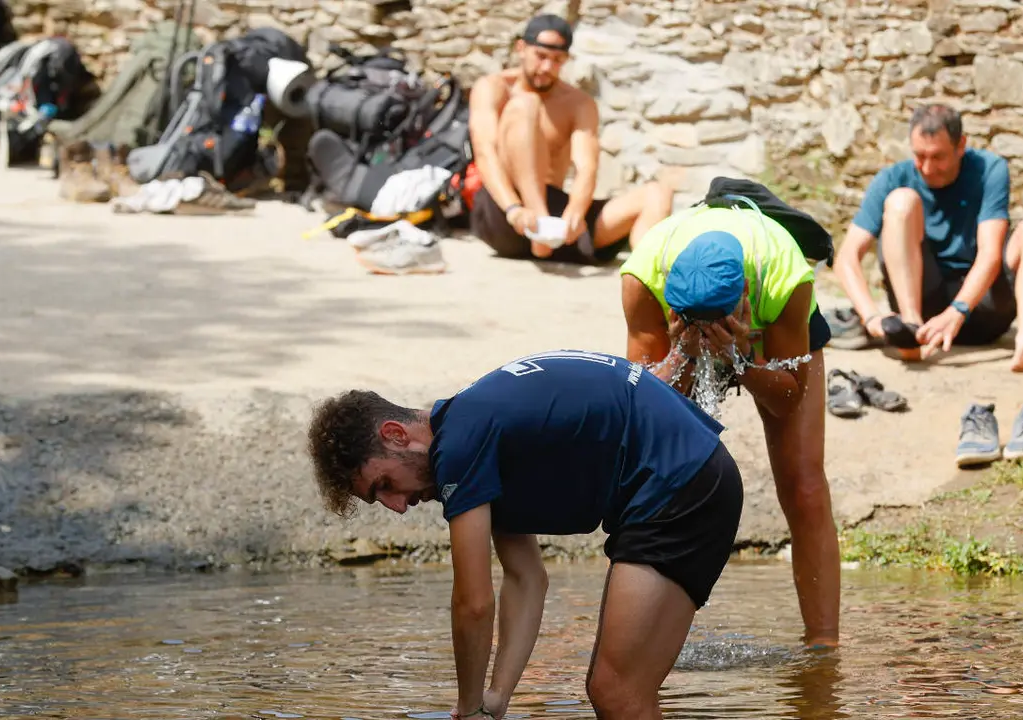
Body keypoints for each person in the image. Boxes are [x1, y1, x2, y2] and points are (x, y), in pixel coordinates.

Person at [305, 349, 744, 719]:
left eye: (383, 485)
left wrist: (468, 707)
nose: (397, 506)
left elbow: (473, 603)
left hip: (681, 481)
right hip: (694, 473)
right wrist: (496, 698)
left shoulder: (460, 446)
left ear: (396, 434)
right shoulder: (473, 433)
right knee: (623, 690)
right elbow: (526, 579)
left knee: (615, 690)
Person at [618, 193, 841, 650]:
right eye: (692, 321)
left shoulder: (785, 274)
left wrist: (739, 361)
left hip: (772, 331)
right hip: (684, 327)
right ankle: (637, 638)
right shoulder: (644, 277)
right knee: (648, 481)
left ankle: (823, 648)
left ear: (742, 295)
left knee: (804, 484)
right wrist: (682, 351)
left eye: (715, 320)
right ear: (673, 309)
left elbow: (787, 399)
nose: (705, 328)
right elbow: (642, 409)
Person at [830, 102, 1023, 373]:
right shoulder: (893, 178)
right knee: (901, 201)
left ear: (961, 145)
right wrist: (871, 318)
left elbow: (990, 254)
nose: (926, 168)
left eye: (937, 156)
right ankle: (912, 331)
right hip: (926, 309)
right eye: (919, 156)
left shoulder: (989, 169)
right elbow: (846, 257)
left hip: (983, 308)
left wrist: (957, 311)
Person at [467, 13, 673, 265]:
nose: (547, 68)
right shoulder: (493, 87)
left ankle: (647, 278)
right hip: (505, 210)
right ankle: (538, 224)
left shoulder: (578, 103)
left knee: (658, 194)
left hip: (558, 222)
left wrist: (575, 210)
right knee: (526, 104)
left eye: (557, 60)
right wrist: (514, 210)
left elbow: (587, 166)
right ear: (521, 48)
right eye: (541, 57)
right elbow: (485, 152)